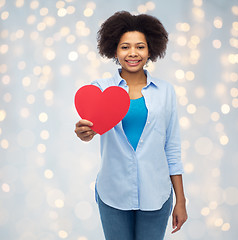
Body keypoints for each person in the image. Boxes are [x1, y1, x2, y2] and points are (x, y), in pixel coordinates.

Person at [75, 11, 187, 240]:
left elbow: (172, 147)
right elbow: (91, 128)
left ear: (150, 50)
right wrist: (84, 133)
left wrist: (181, 200)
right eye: (125, 47)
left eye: (140, 47)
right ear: (114, 50)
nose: (133, 53)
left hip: (156, 195)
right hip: (112, 193)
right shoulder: (101, 88)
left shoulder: (166, 91)